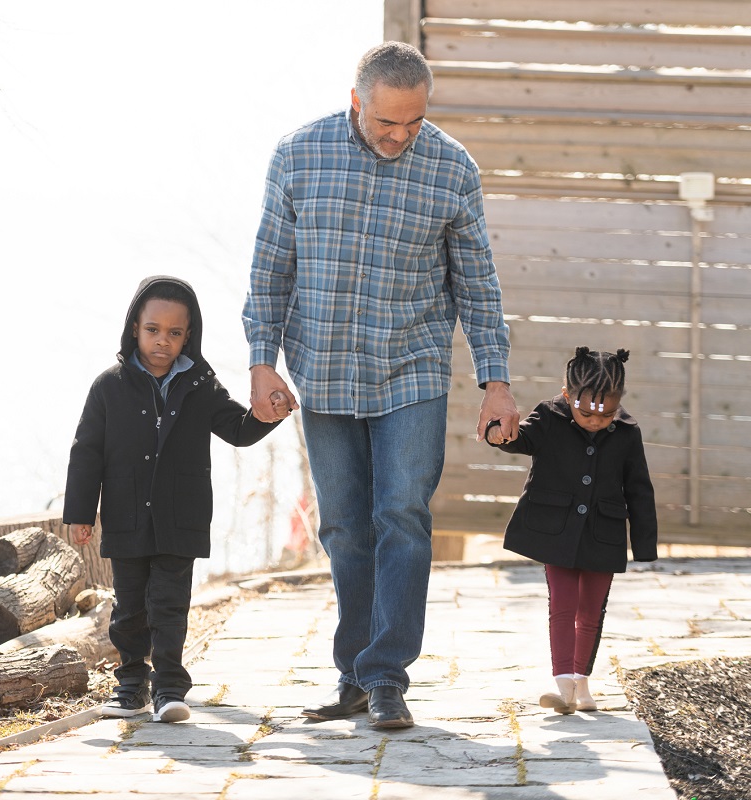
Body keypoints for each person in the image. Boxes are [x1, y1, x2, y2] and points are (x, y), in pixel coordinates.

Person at [242, 40, 519, 729]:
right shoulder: (299, 156)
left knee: (402, 514)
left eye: (414, 123)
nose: (400, 136)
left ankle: (387, 675)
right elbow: (271, 267)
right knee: (343, 525)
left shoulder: (453, 169)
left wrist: (496, 379)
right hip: (325, 366)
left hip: (412, 367)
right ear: (356, 101)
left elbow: (477, 283)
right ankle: (354, 676)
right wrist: (260, 360)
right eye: (386, 122)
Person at [63, 275, 281, 723]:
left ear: (189, 335)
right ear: (135, 328)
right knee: (129, 608)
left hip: (181, 517)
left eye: (175, 333)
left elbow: (238, 430)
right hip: (125, 515)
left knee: (169, 605)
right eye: (153, 330)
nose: (163, 341)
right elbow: (86, 451)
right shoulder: (109, 386)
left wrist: (268, 415)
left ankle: (168, 690)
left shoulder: (199, 383)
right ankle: (130, 687)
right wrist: (80, 513)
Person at [485, 346, 657, 713]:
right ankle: (563, 685)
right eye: (585, 413)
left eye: (606, 413)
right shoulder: (549, 417)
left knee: (592, 611)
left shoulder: (627, 432)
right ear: (567, 395)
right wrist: (497, 433)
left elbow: (639, 488)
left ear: (619, 402)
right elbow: (520, 439)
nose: (595, 421)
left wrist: (644, 545)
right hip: (556, 532)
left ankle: (582, 683)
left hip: (603, 535)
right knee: (563, 605)